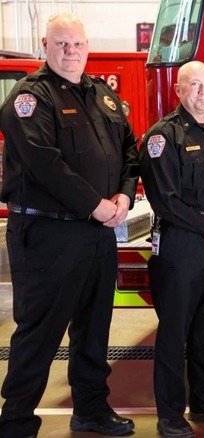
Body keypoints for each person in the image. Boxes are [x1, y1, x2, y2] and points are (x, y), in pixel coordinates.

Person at [0, 12, 139, 438]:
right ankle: (16, 423)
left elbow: (129, 150)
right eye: (61, 44)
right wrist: (96, 205)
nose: (70, 51)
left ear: (87, 47)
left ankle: (91, 410)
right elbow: (45, 164)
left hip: (97, 233)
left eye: (77, 44)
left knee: (94, 328)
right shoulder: (30, 98)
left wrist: (124, 195)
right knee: (39, 332)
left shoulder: (102, 95)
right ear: (45, 46)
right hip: (47, 235)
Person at [139, 60, 204, 438]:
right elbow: (165, 200)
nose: (203, 92)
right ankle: (170, 414)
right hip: (181, 246)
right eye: (195, 85)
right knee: (174, 332)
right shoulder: (162, 137)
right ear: (179, 90)